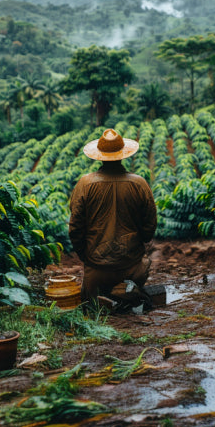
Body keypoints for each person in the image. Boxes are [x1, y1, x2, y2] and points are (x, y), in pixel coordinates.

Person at [69, 128, 157, 301]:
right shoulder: (139, 183)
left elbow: (75, 229)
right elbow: (149, 228)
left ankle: (104, 294)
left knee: (92, 300)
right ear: (123, 154)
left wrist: (87, 257)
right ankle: (126, 291)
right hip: (132, 267)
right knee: (143, 265)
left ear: (99, 155)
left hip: (97, 269)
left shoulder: (85, 184)